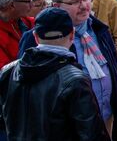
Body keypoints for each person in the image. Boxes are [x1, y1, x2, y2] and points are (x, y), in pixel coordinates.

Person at [18, 0, 117, 139]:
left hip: (106, 118)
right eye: (75, 2)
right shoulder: (37, 37)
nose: (83, 5)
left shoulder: (99, 28)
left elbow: (112, 64)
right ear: (56, 6)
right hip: (69, 129)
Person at [0, 8, 110, 140]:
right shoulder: (75, 80)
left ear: (35, 36)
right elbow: (92, 133)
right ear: (72, 35)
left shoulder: (8, 70)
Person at [0, 0, 34, 68]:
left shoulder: (27, 22)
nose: (32, 5)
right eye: (28, 1)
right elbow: (4, 72)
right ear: (12, 5)